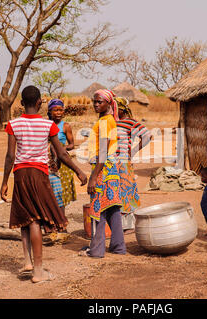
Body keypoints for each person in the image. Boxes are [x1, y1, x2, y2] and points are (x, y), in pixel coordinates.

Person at [0, 86, 87, 283]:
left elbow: (10, 156)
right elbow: (63, 153)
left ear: (22, 103)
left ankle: (28, 261)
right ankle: (38, 272)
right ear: (40, 102)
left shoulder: (13, 124)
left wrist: (4, 182)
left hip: (20, 174)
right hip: (39, 174)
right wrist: (79, 171)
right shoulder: (49, 126)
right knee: (35, 220)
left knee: (25, 216)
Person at [79, 89, 126, 258]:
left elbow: (104, 151)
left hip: (103, 168)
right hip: (110, 168)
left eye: (100, 102)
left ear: (108, 103)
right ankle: (118, 247)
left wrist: (93, 177)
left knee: (98, 208)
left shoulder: (106, 122)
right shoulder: (108, 120)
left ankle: (97, 250)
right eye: (95, 101)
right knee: (112, 207)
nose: (96, 104)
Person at [115, 96, 152, 234]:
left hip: (124, 161)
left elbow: (147, 136)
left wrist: (134, 151)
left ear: (122, 109)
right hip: (112, 162)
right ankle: (119, 223)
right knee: (117, 191)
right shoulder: (112, 122)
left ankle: (129, 225)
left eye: (115, 107)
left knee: (126, 191)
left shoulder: (130, 123)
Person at [47, 99, 77, 217]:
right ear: (50, 111)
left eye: (60, 110)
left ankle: (61, 220)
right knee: (49, 191)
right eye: (55, 110)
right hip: (48, 160)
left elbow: (72, 144)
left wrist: (62, 149)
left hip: (62, 162)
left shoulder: (65, 126)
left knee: (60, 192)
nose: (58, 113)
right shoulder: (46, 124)